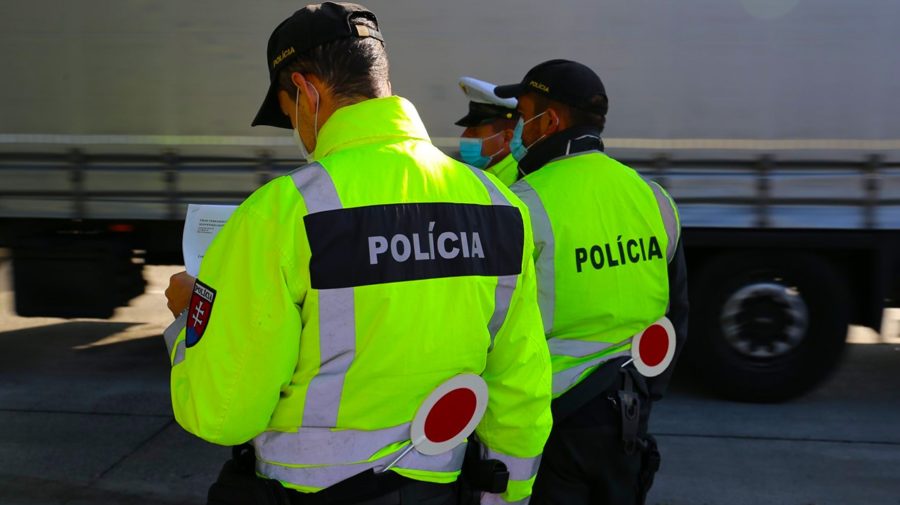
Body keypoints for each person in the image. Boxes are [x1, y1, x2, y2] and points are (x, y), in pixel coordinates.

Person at [163, 3, 552, 505]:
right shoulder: (497, 204)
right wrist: (509, 492)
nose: (298, 130)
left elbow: (222, 414)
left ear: (305, 91)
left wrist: (188, 321)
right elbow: (520, 381)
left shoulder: (280, 212)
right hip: (441, 491)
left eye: (288, 114)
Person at [493, 59, 689, 505]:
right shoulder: (653, 197)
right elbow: (677, 312)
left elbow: (493, 323)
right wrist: (644, 395)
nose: (518, 129)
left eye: (523, 115)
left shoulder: (519, 205)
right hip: (629, 419)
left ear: (551, 121)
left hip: (550, 421)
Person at [455, 77, 520, 187]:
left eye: (475, 133)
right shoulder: (487, 173)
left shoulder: (516, 179)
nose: (464, 136)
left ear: (507, 138)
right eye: (466, 130)